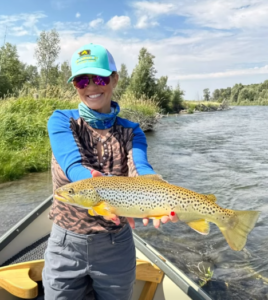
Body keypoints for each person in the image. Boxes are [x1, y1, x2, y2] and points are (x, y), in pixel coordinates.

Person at [43, 43, 178, 300]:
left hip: (117, 246)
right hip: (65, 243)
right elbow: (73, 166)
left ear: (114, 79)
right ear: (75, 85)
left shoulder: (132, 130)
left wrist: (161, 199)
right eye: (82, 80)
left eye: (99, 77)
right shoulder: (62, 120)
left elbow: (141, 169)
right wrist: (97, 188)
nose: (91, 86)